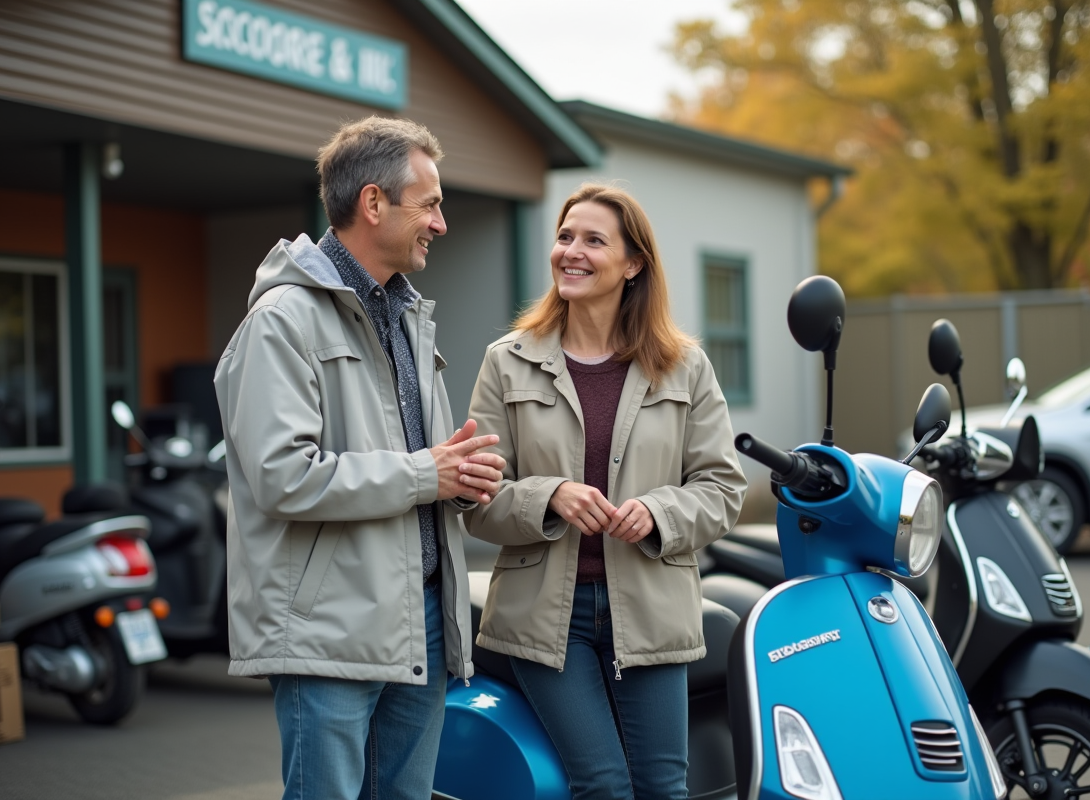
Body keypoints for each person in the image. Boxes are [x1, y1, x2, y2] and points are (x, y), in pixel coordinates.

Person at [213, 116, 506, 800]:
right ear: (373, 203)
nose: (440, 224)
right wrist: (427, 474)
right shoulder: (281, 322)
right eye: (429, 204)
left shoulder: (408, 317)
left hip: (421, 624)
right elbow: (284, 478)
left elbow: (419, 469)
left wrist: (459, 479)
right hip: (330, 633)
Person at [462, 184, 748, 799]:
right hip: (546, 616)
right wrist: (548, 497)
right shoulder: (506, 362)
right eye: (565, 236)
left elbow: (723, 488)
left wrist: (659, 511)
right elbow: (476, 503)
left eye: (594, 240)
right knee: (603, 785)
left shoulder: (684, 366)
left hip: (651, 609)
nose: (572, 251)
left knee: (664, 786)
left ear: (633, 264)